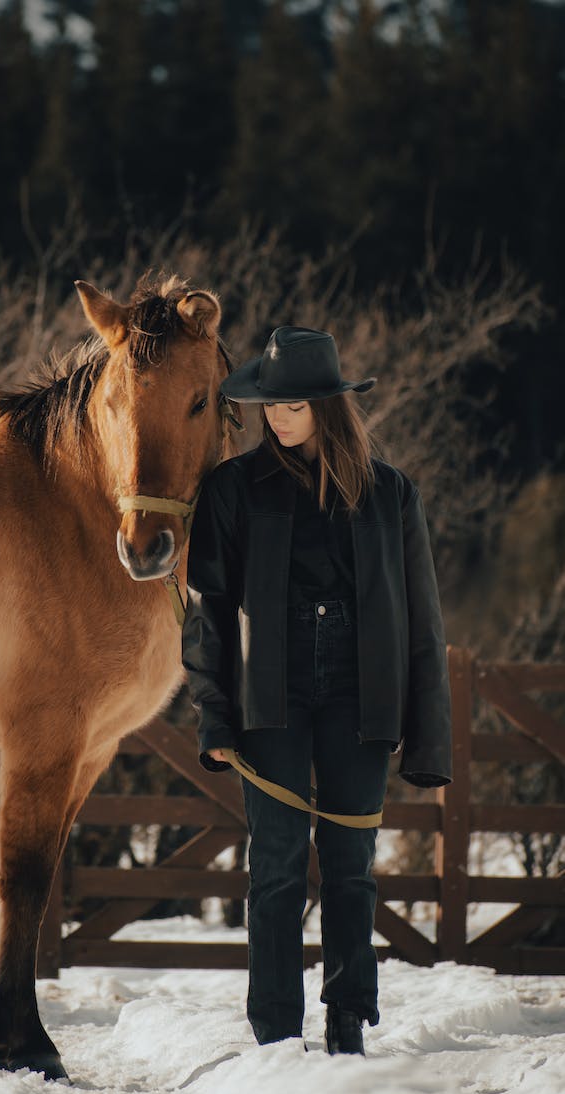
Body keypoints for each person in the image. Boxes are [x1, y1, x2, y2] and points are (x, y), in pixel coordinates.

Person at [181, 326, 452, 1056]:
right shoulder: (233, 489)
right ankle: (275, 1035)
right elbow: (207, 610)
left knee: (350, 864)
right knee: (273, 865)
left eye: (293, 404)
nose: (277, 417)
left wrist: (428, 737)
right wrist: (213, 716)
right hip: (270, 689)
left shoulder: (390, 492)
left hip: (361, 694)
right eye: (270, 404)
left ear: (328, 407)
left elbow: (422, 623)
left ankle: (346, 1022)